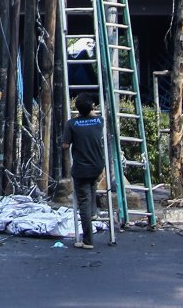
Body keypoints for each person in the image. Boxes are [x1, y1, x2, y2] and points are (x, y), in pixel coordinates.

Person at [62, 92, 106, 250]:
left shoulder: (72, 124)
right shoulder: (99, 121)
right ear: (92, 107)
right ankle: (94, 212)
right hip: (97, 166)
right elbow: (94, 116)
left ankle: (87, 240)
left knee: (83, 203)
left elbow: (65, 145)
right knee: (92, 186)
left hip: (81, 169)